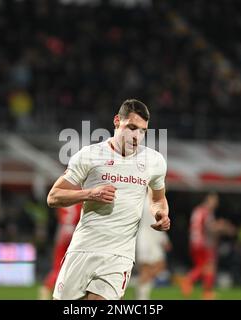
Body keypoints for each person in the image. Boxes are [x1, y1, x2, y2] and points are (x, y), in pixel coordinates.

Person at [47, 99, 170, 300]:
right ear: (116, 121)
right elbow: (53, 196)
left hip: (119, 255)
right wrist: (89, 193)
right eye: (132, 127)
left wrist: (160, 213)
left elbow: (158, 199)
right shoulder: (89, 155)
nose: (137, 136)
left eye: (142, 131)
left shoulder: (154, 161)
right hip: (83, 248)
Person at [180, 192, 235, 300]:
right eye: (213, 200)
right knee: (208, 266)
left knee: (205, 266)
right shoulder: (205, 212)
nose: (215, 203)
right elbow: (209, 228)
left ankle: (204, 291)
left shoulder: (198, 210)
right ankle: (191, 282)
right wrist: (223, 227)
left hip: (195, 242)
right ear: (207, 200)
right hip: (202, 242)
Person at [39, 203, 82, 300]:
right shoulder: (80, 195)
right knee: (76, 265)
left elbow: (56, 212)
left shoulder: (65, 194)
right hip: (76, 231)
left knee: (58, 266)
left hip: (63, 230)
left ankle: (47, 286)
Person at [135, 190, 172, 300]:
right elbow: (157, 223)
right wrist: (165, 240)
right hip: (149, 239)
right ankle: (142, 297)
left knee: (149, 269)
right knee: (154, 267)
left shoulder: (141, 199)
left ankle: (141, 295)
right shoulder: (154, 202)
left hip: (143, 238)